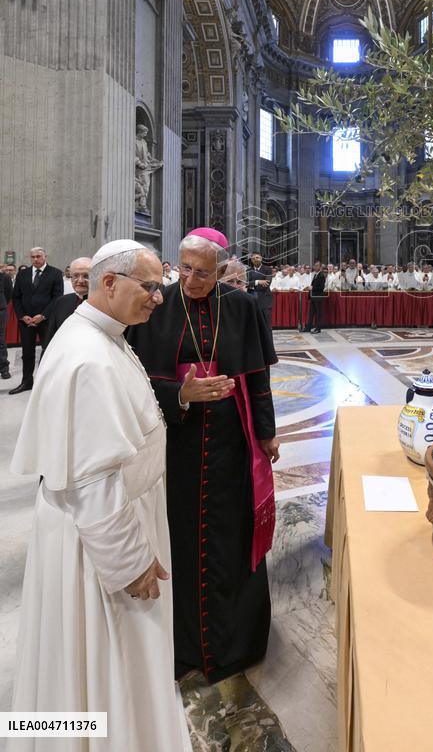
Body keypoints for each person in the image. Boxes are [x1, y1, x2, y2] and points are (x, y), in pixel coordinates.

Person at [10, 239, 191, 752]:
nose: (159, 298)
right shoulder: (89, 356)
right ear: (109, 283)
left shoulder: (103, 334)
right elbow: (92, 479)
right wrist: (130, 563)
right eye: (150, 287)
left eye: (162, 287)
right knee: (108, 660)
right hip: (101, 549)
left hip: (110, 524)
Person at [126, 227, 279, 683]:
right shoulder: (156, 308)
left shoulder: (243, 307)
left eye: (203, 273)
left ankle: (236, 643)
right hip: (178, 441)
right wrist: (182, 394)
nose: (191, 280)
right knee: (182, 536)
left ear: (223, 271)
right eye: (185, 269)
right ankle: (185, 644)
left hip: (231, 440)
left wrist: (267, 434)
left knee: (231, 534)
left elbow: (256, 377)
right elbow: (135, 384)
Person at [10, 247, 64, 394]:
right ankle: (27, 382)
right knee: (27, 353)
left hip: (46, 320)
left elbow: (57, 297)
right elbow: (16, 297)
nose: (35, 259)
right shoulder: (23, 274)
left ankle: (45, 383)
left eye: (38, 256)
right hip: (26, 321)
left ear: (45, 256)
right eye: (32, 257)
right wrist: (22, 316)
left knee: (47, 351)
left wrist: (43, 315)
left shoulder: (56, 273)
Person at [43, 256, 92, 347]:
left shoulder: (104, 304)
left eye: (86, 276)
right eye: (76, 276)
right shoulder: (61, 302)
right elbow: (51, 337)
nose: (80, 281)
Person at [247, 253, 274, 334]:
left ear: (261, 258)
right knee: (253, 324)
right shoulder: (248, 271)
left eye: (257, 257)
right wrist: (258, 281)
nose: (256, 259)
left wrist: (252, 285)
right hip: (252, 299)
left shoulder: (267, 269)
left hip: (265, 300)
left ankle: (268, 344)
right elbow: (246, 283)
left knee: (266, 325)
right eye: (253, 258)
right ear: (251, 260)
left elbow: (267, 283)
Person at [304, 261, 326, 332]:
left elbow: (321, 287)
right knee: (311, 314)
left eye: (317, 266)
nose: (315, 267)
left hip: (318, 297)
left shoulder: (321, 275)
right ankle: (308, 327)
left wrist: (312, 288)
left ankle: (318, 328)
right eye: (315, 265)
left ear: (320, 267)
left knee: (318, 314)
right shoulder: (315, 275)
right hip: (313, 297)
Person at [0, 267, 13, 378]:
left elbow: (9, 294)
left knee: (1, 341)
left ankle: (4, 369)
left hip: (0, 312)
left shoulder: (5, 277)